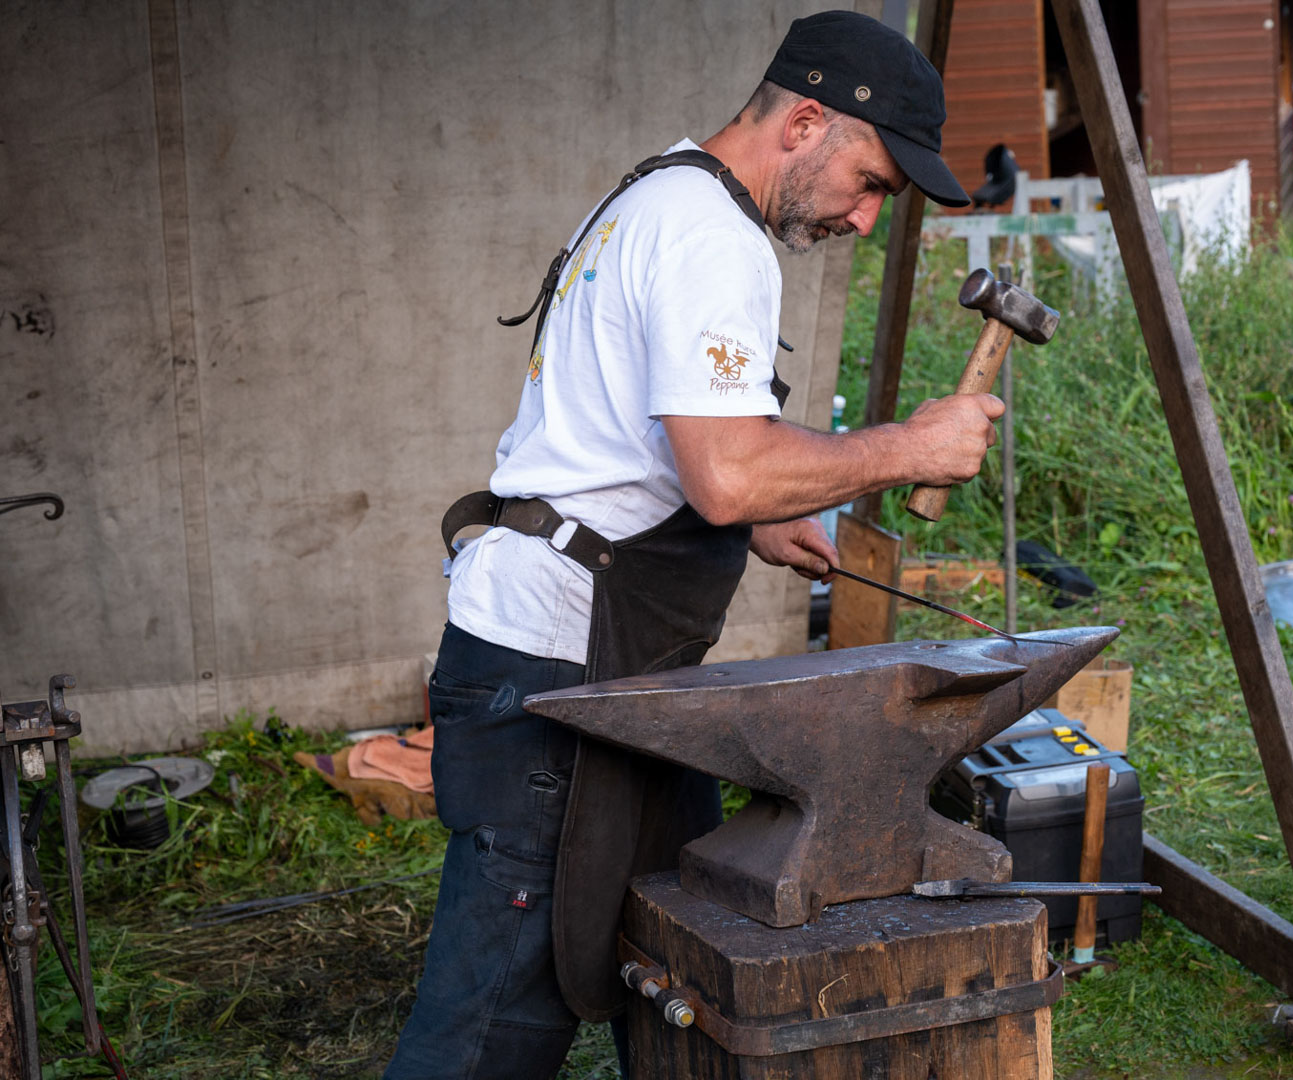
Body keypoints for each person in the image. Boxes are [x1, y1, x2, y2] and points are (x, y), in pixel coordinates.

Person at [384, 12, 1002, 1080]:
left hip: (603, 661)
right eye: (870, 182)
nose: (863, 218)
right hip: (557, 672)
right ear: (805, 122)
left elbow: (636, 434)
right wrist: (909, 448)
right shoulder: (712, 237)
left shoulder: (656, 192)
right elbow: (725, 470)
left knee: (669, 960)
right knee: (488, 1029)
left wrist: (760, 515)